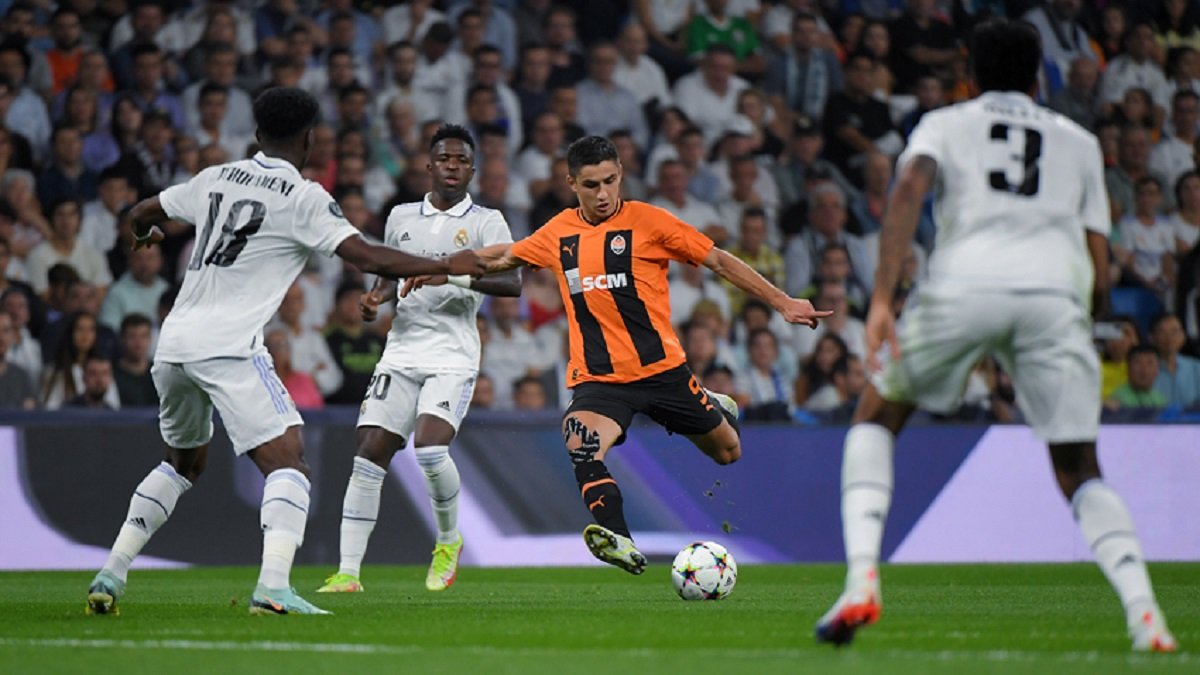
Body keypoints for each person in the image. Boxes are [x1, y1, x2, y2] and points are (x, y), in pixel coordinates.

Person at [814, 20, 1177, 653]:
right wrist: (1089, 318)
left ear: (971, 74)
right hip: (1052, 296)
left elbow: (909, 188)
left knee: (876, 414)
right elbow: (1098, 254)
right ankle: (1147, 617)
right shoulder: (1080, 141)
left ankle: (861, 581)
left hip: (966, 284)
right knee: (1079, 465)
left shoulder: (945, 123)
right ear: (1038, 76)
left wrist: (883, 300)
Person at [84, 87, 484, 618]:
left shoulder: (216, 176)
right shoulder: (303, 197)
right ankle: (272, 587)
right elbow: (367, 256)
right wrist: (450, 265)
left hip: (174, 343)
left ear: (257, 135)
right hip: (229, 346)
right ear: (309, 139)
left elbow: (141, 211)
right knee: (290, 462)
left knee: (181, 463)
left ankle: (111, 572)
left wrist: (144, 232)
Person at [426, 135, 829, 574]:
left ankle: (711, 404)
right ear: (571, 184)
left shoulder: (649, 222)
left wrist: (782, 302)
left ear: (620, 174)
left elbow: (717, 260)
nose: (602, 194)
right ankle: (619, 538)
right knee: (580, 442)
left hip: (662, 372)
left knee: (728, 452)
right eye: (591, 185)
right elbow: (505, 256)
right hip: (599, 381)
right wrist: (438, 267)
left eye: (609, 181)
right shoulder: (559, 232)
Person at [317, 124, 520, 596]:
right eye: (444, 158)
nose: (452, 166)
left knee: (429, 449)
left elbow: (512, 283)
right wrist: (376, 298)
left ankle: (448, 541)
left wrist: (450, 276)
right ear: (429, 165)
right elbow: (390, 274)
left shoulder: (487, 222)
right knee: (368, 453)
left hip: (453, 353)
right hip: (402, 350)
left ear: (472, 170)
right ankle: (348, 573)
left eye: (461, 160)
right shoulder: (401, 216)